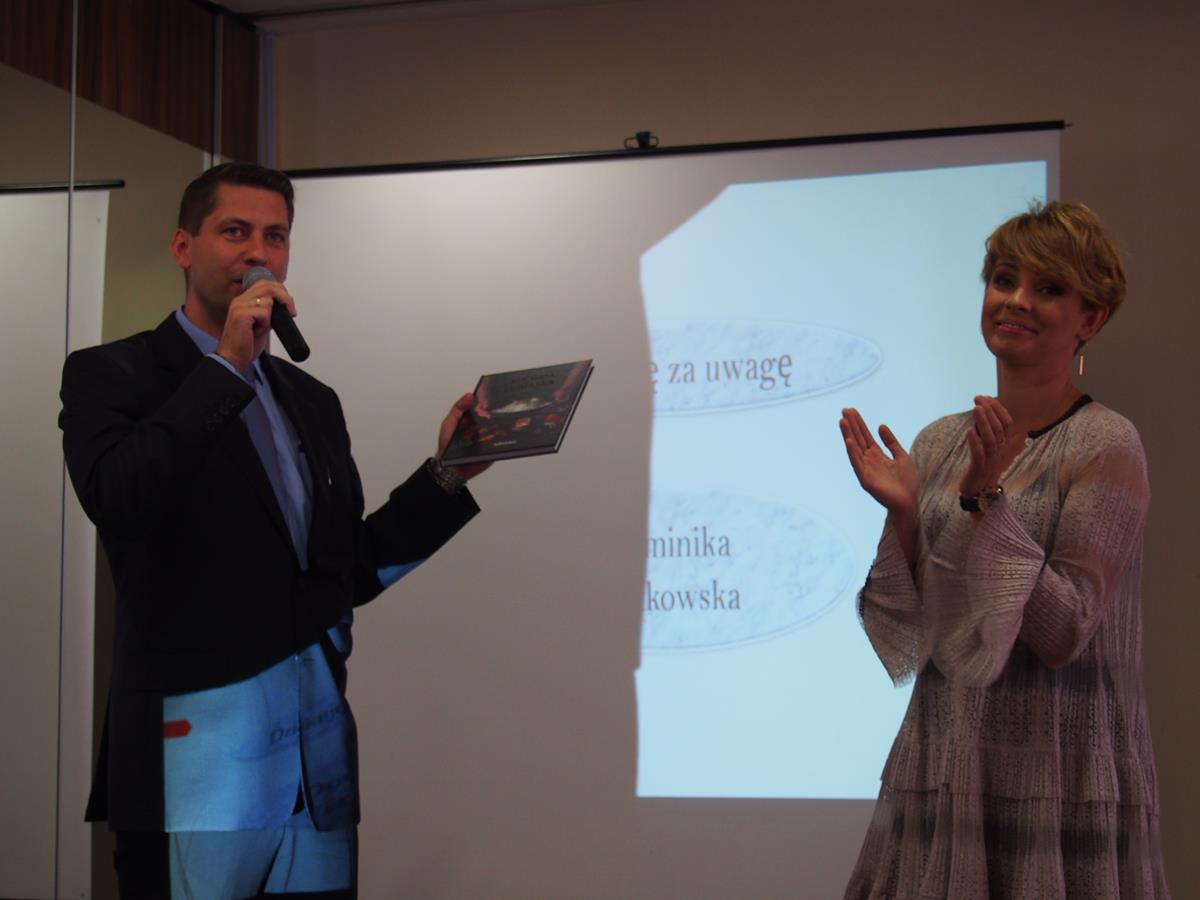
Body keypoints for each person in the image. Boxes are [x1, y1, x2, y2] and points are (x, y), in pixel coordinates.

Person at [59, 163, 490, 898]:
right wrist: (227, 365)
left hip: (312, 774)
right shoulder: (113, 374)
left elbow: (344, 574)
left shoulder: (311, 400)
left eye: (276, 237)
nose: (258, 253)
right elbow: (120, 497)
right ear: (183, 247)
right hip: (195, 774)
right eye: (235, 232)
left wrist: (447, 475)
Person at [838, 202, 1170, 898]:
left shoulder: (1106, 443)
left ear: (1090, 318)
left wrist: (987, 503)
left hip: (1054, 770)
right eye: (1003, 279)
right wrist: (904, 517)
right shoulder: (938, 441)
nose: (1016, 300)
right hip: (945, 759)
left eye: (1048, 288)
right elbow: (904, 640)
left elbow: (1064, 631)